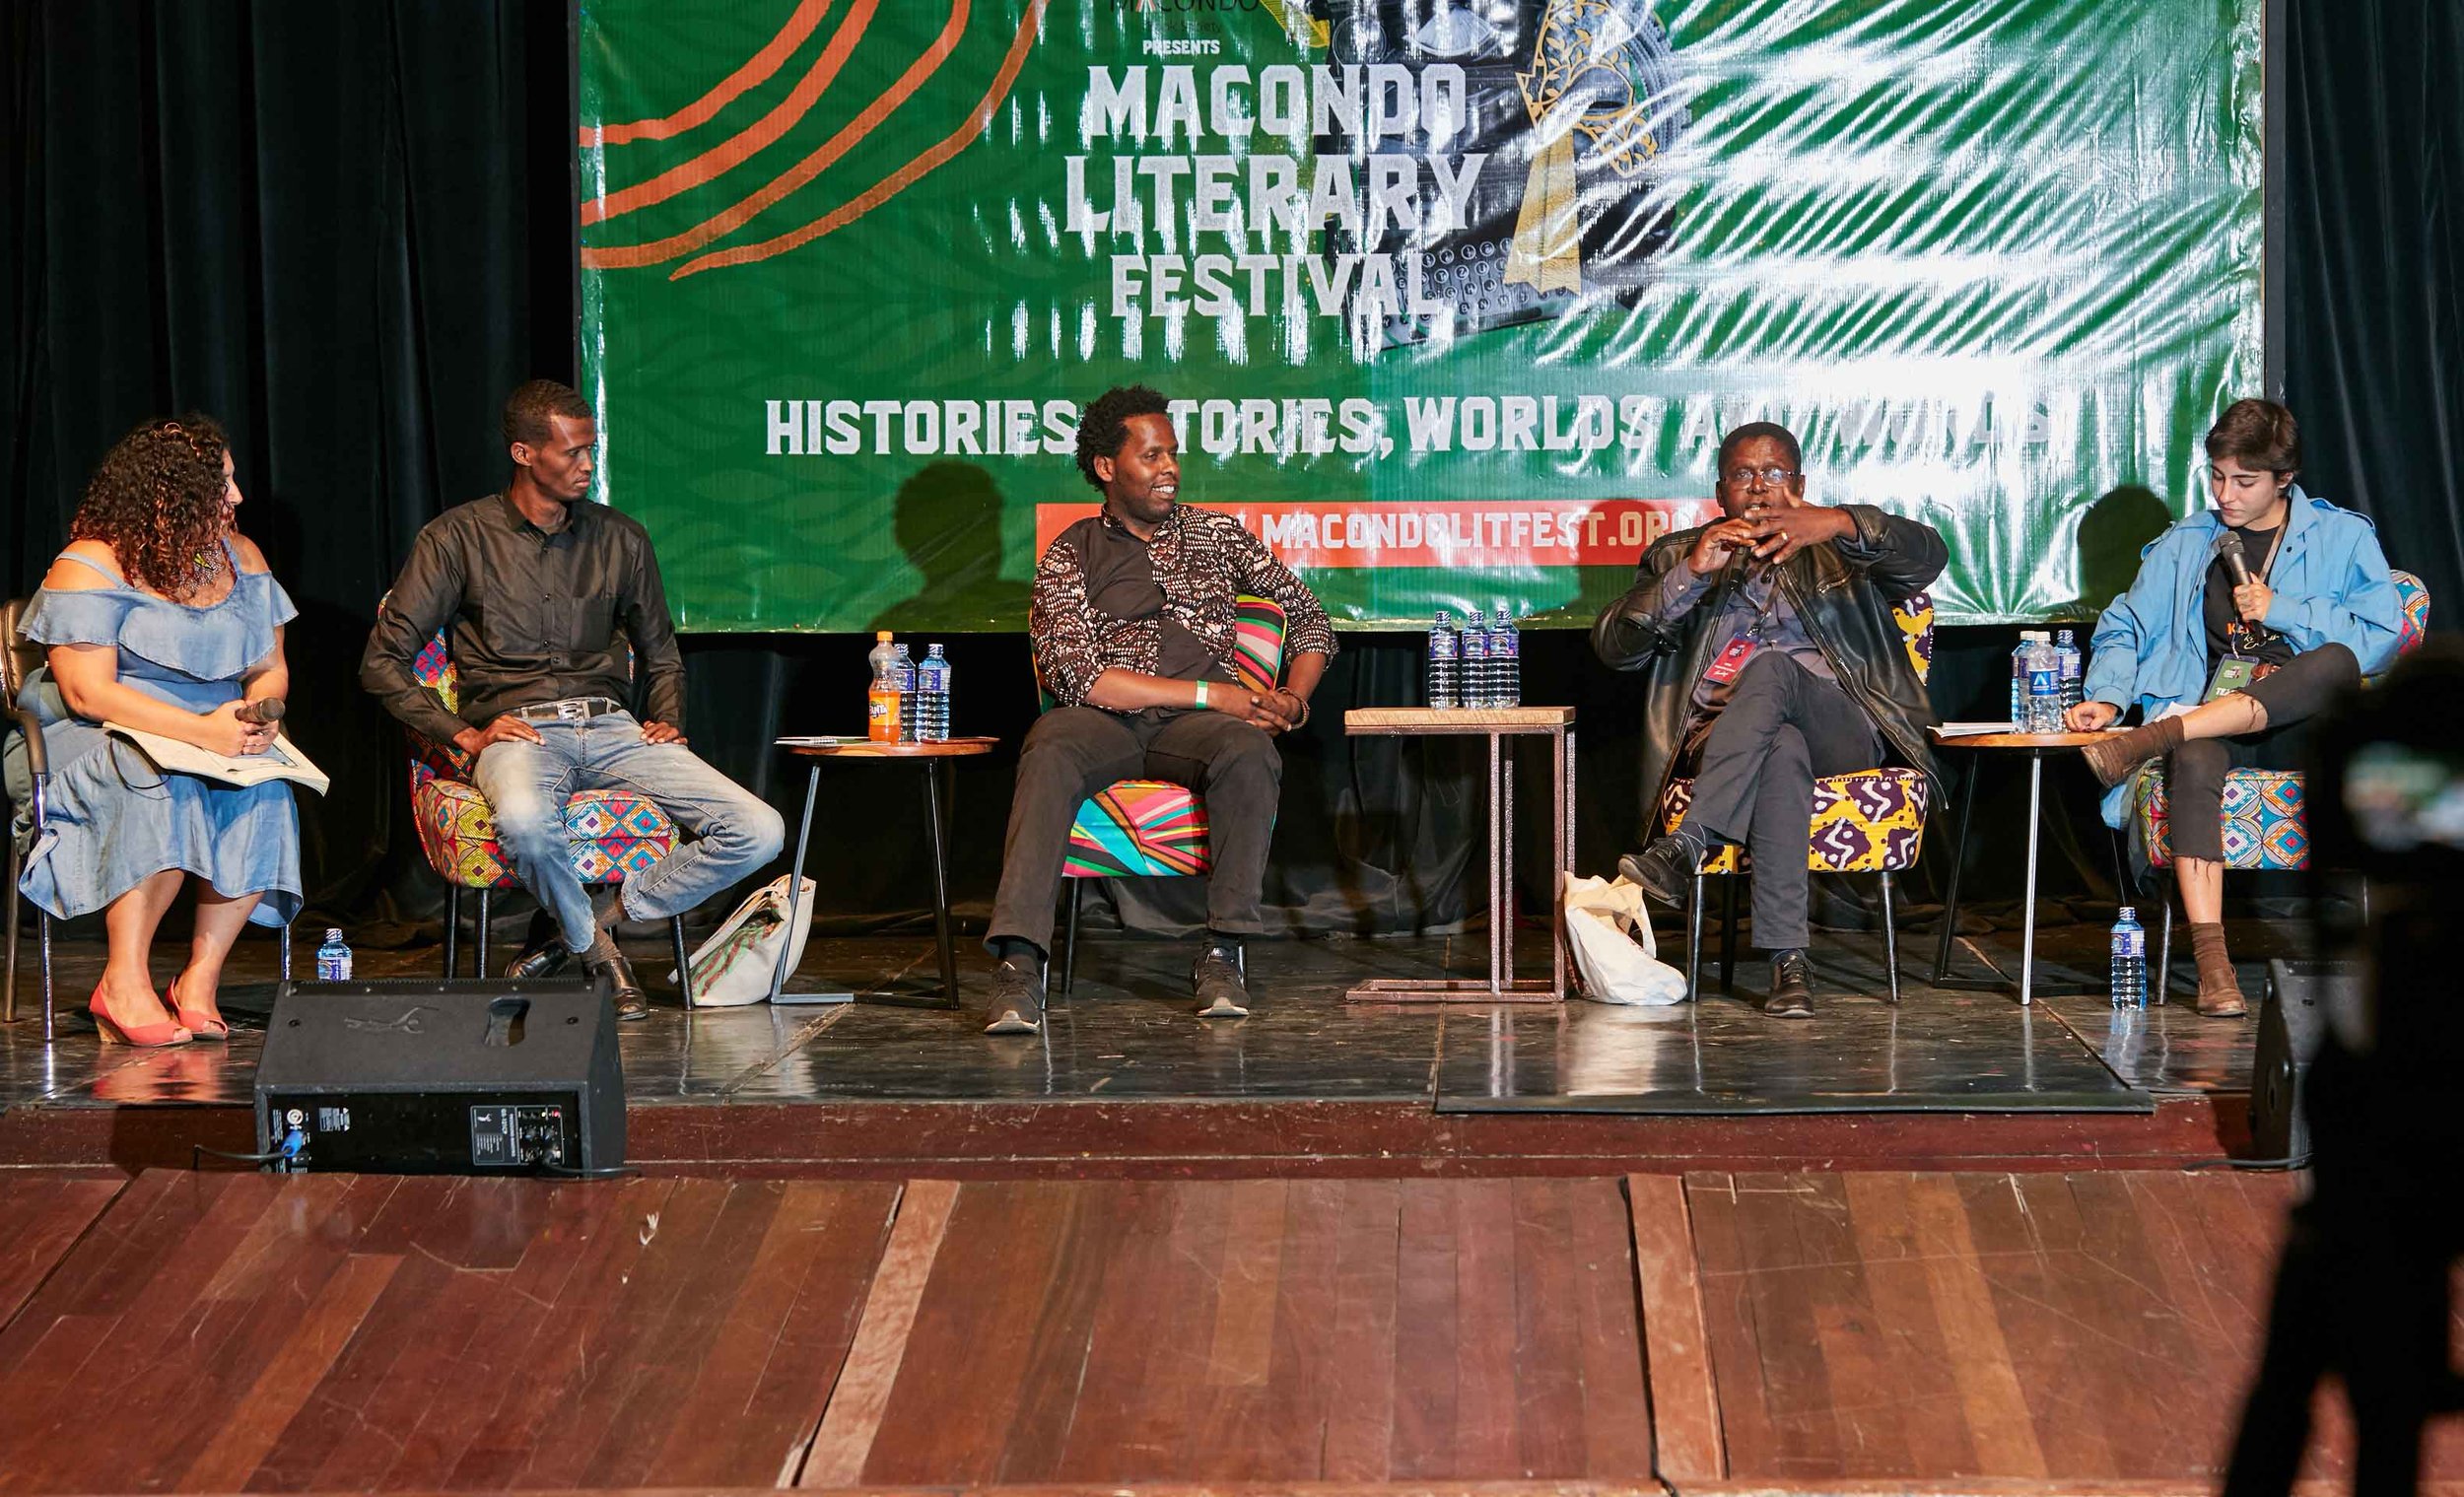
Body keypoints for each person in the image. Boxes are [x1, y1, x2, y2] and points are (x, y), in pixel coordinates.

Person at [361, 380, 785, 1018]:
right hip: (518, 732)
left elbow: (661, 650)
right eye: (571, 452)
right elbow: (381, 662)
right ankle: (601, 957)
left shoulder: (621, 538)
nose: (587, 464)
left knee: (759, 829)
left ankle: (579, 933)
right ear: (525, 453)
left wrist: (667, 716)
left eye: (591, 449)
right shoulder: (457, 538)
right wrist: (462, 733)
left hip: (614, 729)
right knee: (526, 823)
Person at [980, 385, 1336, 1034]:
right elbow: (1075, 673)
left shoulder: (1217, 535)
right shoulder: (1071, 552)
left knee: (1250, 749)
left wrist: (1294, 697)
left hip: (1196, 732)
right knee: (1049, 744)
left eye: (1173, 454)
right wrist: (1214, 693)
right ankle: (1019, 966)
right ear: (1107, 467)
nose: (1169, 467)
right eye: (1151, 456)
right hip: (1101, 721)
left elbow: (1310, 615)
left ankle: (1225, 950)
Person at [1594, 421, 1946, 1018]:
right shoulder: (1682, 552)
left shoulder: (1843, 547)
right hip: (1724, 736)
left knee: (1772, 670)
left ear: (1800, 483)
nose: (1759, 488)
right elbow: (1614, 647)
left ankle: (1687, 845)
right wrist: (1691, 576)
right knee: (1779, 749)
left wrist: (1836, 522)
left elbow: (1927, 556)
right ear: (1720, 490)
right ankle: (1790, 965)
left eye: (1775, 473)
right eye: (1744, 475)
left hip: (1839, 727)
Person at [2069, 399, 2401, 1016]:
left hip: (2309, 728)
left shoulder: (2343, 536)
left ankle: (2153, 738)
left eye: (2244, 482)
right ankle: (2214, 967)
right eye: (2218, 476)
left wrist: (2284, 611)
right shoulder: (2186, 544)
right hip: (2214, 715)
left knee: (2332, 662)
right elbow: (2123, 626)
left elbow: (2381, 636)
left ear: (2284, 479)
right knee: (2194, 756)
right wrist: (2110, 696)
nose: (2226, 493)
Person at [3, 417, 300, 1046]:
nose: (238, 496)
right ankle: (123, 981)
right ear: (167, 493)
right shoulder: (92, 562)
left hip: (212, 728)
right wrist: (198, 732)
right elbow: (88, 693)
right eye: (221, 484)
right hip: (92, 732)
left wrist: (259, 718)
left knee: (266, 792)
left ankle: (198, 980)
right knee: (158, 780)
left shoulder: (240, 558)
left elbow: (269, 669)